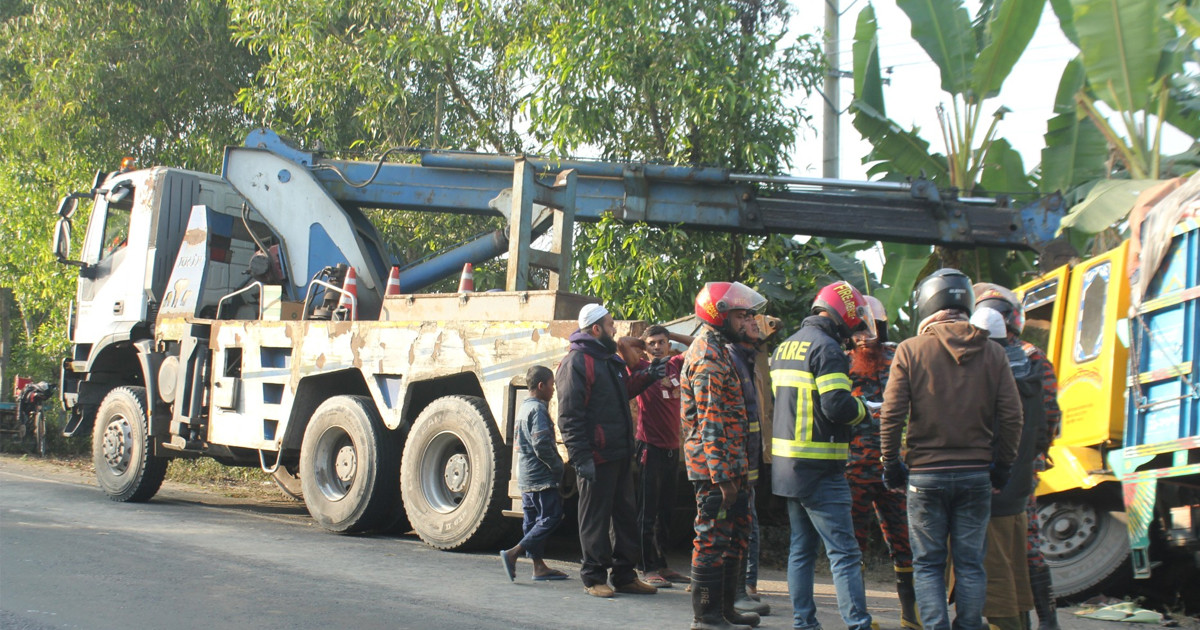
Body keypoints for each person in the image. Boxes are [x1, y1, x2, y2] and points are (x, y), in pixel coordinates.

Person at [879, 269, 1023, 630]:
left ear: (927, 303)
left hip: (925, 477)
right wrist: (1002, 468)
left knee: (927, 564)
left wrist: (891, 465)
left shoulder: (910, 350)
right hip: (976, 476)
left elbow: (891, 414)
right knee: (971, 563)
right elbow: (1012, 416)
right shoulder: (993, 352)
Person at [771, 280, 878, 630]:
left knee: (801, 551)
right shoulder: (828, 349)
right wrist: (866, 409)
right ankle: (858, 624)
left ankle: (804, 624)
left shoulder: (785, 347)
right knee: (844, 554)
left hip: (789, 468)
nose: (855, 329)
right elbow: (836, 406)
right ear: (843, 314)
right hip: (820, 469)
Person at [974, 282, 1062, 630]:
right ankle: (1047, 619)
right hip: (1024, 467)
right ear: (1014, 317)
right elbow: (1049, 414)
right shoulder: (1033, 355)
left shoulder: (973, 351)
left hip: (979, 467)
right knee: (1027, 543)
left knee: (978, 544)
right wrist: (1037, 454)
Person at [556, 303, 660, 598]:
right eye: (611, 325)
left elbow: (623, 390)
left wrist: (650, 375)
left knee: (626, 517)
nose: (616, 330)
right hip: (595, 456)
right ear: (596, 329)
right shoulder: (576, 362)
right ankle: (593, 578)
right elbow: (569, 416)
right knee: (595, 519)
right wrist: (581, 458)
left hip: (619, 453)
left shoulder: (607, 358)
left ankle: (625, 576)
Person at [681, 281, 767, 630]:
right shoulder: (707, 357)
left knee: (735, 536)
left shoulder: (721, 351)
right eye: (741, 315)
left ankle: (726, 609)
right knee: (712, 538)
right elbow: (711, 421)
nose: (748, 321)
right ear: (720, 316)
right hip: (716, 471)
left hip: (734, 467)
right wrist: (722, 477)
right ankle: (706, 616)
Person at [846, 295, 919, 629]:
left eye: (869, 330)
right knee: (853, 547)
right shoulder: (840, 362)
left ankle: (911, 616)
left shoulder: (900, 360)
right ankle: (860, 616)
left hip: (895, 470)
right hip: (853, 471)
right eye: (857, 330)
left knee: (905, 542)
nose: (863, 337)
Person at [631, 325, 690, 588]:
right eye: (652, 343)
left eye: (661, 342)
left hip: (671, 449)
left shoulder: (676, 364)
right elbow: (622, 343)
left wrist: (674, 336)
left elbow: (700, 343)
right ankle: (646, 567)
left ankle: (662, 564)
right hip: (649, 448)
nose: (657, 346)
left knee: (667, 511)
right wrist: (641, 341)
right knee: (648, 510)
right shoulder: (641, 367)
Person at [500, 365, 569, 582]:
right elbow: (541, 444)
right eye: (551, 385)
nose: (553, 390)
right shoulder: (538, 410)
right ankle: (513, 553)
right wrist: (558, 466)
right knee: (551, 516)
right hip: (541, 477)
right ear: (541, 386)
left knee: (531, 521)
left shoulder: (524, 407)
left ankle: (538, 567)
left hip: (526, 476)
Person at [727, 316, 776, 618]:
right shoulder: (726, 357)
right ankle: (731, 594)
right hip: (731, 462)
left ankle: (742, 589)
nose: (755, 325)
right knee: (729, 529)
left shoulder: (750, 361)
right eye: (745, 320)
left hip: (751, 458)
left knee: (747, 525)